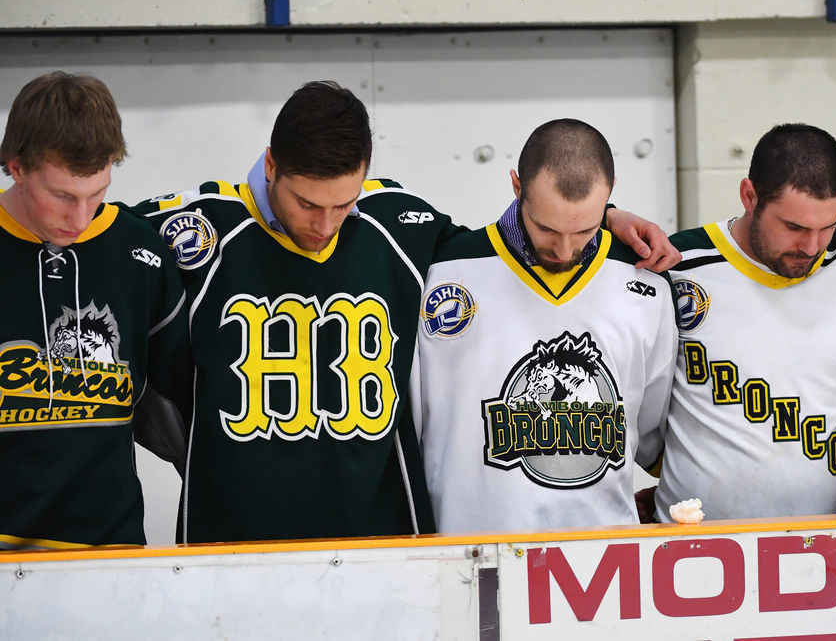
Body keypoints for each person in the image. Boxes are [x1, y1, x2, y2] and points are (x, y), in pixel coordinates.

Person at [133, 82, 678, 543]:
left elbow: (504, 244)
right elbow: (95, 245)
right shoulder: (201, 228)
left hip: (381, 542)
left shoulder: (396, 223)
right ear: (271, 165)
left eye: (342, 205)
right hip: (230, 539)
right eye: (306, 203)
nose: (324, 225)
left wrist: (602, 219)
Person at [653, 123, 836, 521]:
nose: (811, 247)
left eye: (827, 227)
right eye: (794, 227)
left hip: (826, 544)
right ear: (749, 196)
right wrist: (612, 215)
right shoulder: (677, 265)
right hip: (693, 542)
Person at [415, 119, 677, 533]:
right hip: (464, 556)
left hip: (604, 555)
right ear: (517, 187)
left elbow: (649, 434)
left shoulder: (645, 284)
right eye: (547, 229)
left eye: (585, 229)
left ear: (609, 196)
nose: (565, 249)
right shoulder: (441, 269)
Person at [0, 72, 187, 549]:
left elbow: (178, 407)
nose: (80, 218)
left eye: (97, 193)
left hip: (110, 554)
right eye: (62, 196)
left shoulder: (139, 251)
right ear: (16, 167)